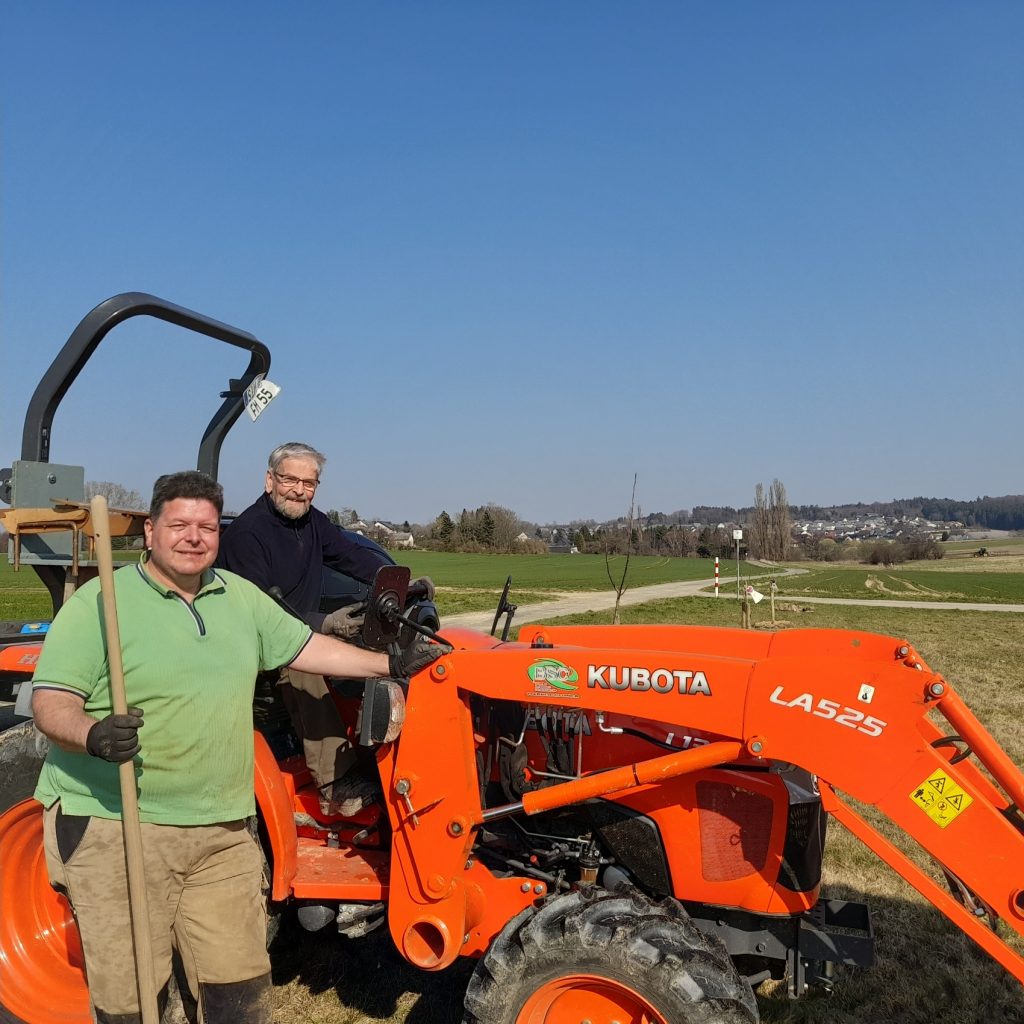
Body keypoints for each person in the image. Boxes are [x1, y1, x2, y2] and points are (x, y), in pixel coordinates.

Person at [31, 471, 445, 1024]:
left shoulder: (237, 598)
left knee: (239, 990)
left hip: (221, 832)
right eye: (179, 524)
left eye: (206, 526)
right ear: (151, 531)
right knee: (133, 998)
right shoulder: (100, 603)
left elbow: (308, 648)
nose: (193, 537)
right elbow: (52, 701)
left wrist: (388, 666)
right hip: (119, 826)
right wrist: (92, 734)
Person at [215, 442, 433, 815]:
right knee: (304, 667)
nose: (299, 489)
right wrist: (324, 624)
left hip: (297, 629)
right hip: (248, 642)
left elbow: (351, 557)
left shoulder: (312, 522)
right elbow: (263, 616)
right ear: (270, 481)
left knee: (371, 647)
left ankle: (384, 752)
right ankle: (337, 782)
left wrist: (398, 583)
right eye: (289, 480)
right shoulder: (248, 535)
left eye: (309, 482)